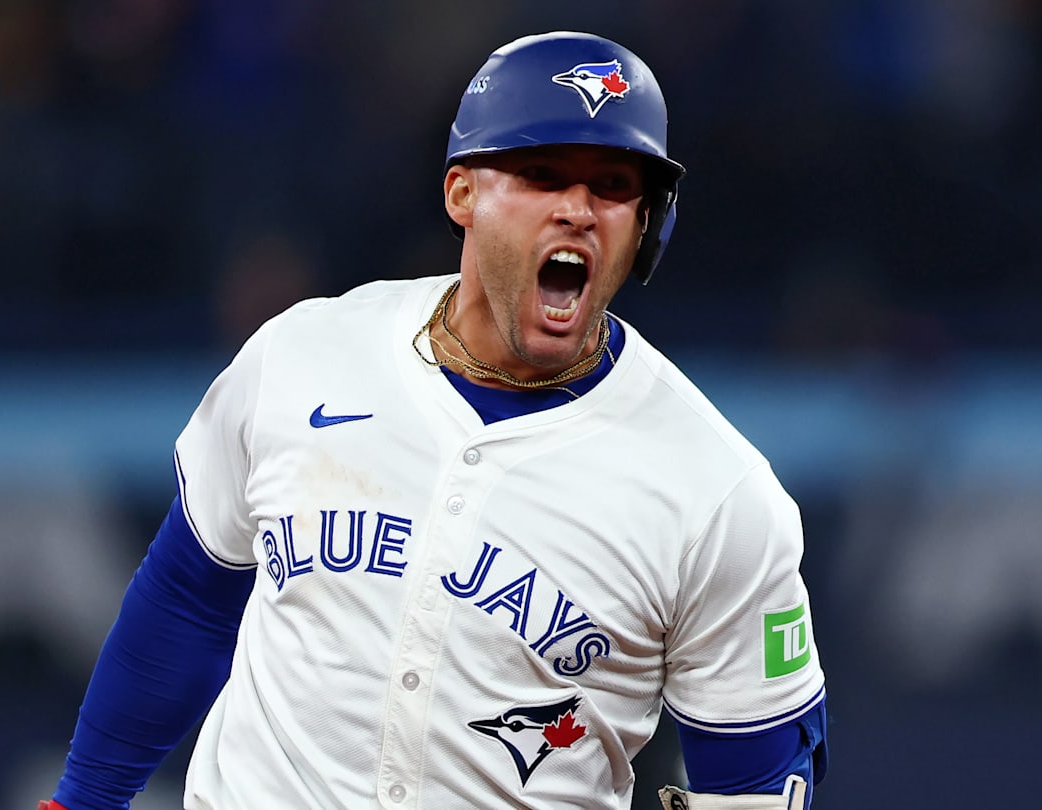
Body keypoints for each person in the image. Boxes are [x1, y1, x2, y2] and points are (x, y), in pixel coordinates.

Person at [40, 31, 828, 810]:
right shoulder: (303, 356)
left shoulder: (717, 491)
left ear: (649, 225)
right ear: (463, 194)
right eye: (541, 174)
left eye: (614, 186)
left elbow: (755, 776)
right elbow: (189, 598)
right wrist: (81, 801)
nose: (578, 211)